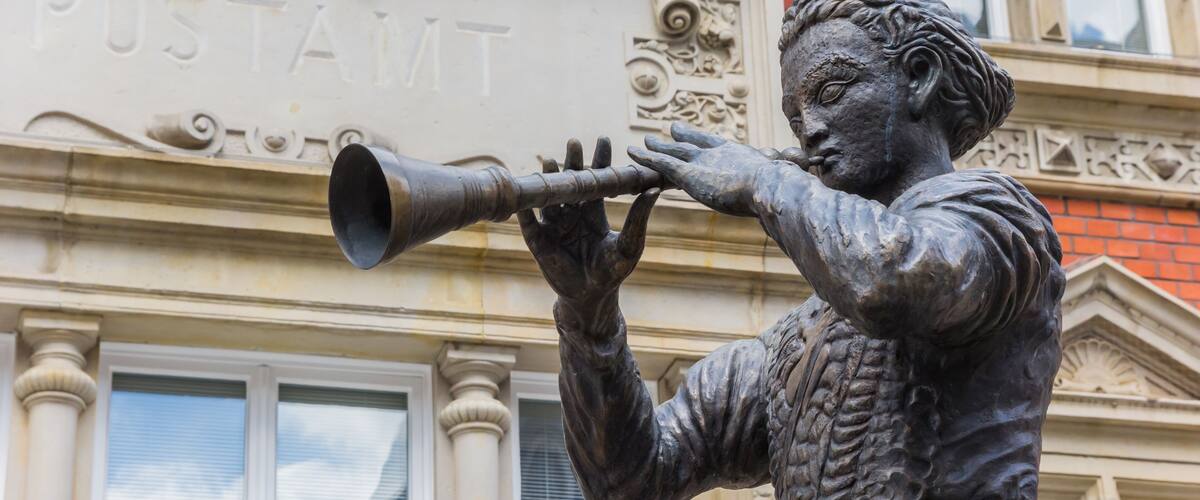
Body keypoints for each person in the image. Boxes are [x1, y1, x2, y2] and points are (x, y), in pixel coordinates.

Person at [516, 1, 1065, 498]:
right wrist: (589, 314)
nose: (811, 131)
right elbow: (631, 480)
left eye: (831, 92)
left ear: (920, 76)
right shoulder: (791, 348)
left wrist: (761, 180)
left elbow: (891, 280)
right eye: (796, 118)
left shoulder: (997, 218)